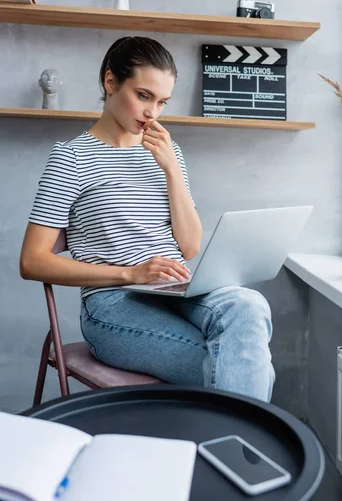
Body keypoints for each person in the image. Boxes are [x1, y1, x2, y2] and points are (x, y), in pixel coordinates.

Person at [20, 36, 275, 403]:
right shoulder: (71, 158)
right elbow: (32, 261)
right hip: (112, 305)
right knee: (241, 364)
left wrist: (171, 168)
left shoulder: (169, 153)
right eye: (143, 96)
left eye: (161, 102)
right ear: (111, 83)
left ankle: (222, 453)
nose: (152, 112)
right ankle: (236, 455)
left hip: (175, 291)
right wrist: (130, 274)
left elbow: (189, 246)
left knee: (249, 305)